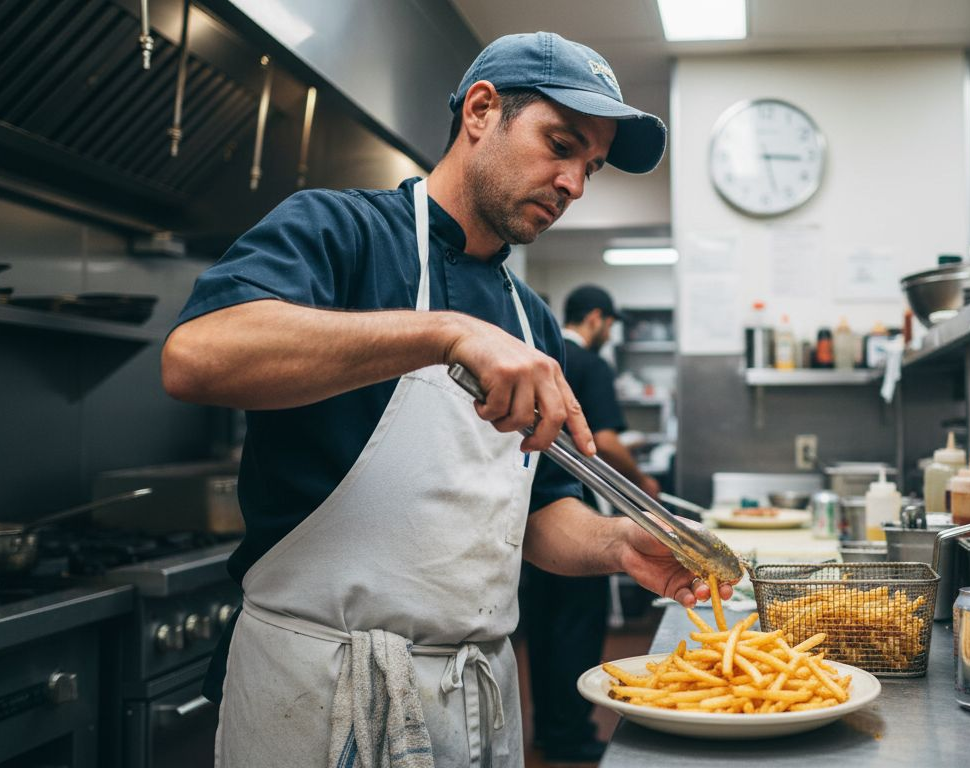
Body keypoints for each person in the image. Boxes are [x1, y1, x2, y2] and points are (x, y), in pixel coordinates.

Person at [162, 32, 728, 768]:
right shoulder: (341, 232)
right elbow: (195, 357)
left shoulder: (533, 321)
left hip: (477, 696)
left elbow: (536, 509)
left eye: (588, 167)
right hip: (320, 693)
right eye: (560, 145)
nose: (574, 185)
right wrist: (444, 333)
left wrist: (618, 544)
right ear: (482, 111)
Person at [520, 285, 658, 762]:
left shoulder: (534, 353)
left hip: (529, 519)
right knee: (577, 631)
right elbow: (605, 440)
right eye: (611, 324)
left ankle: (546, 729)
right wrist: (643, 481)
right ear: (597, 319)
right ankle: (571, 735)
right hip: (573, 515)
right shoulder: (591, 365)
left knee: (542, 629)